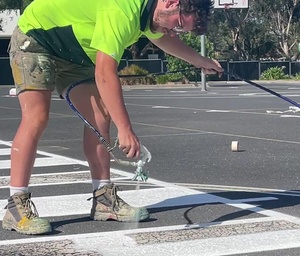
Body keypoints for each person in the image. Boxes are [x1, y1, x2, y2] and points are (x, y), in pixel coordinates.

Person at [2, 0, 223, 235]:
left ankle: (104, 199)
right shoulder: (122, 8)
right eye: (178, 25)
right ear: (170, 2)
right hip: (37, 38)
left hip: (74, 53)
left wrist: (201, 61)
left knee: (100, 118)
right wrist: (125, 129)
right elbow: (105, 73)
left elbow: (162, 38)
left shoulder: (151, 14)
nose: (174, 31)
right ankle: (16, 206)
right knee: (37, 117)